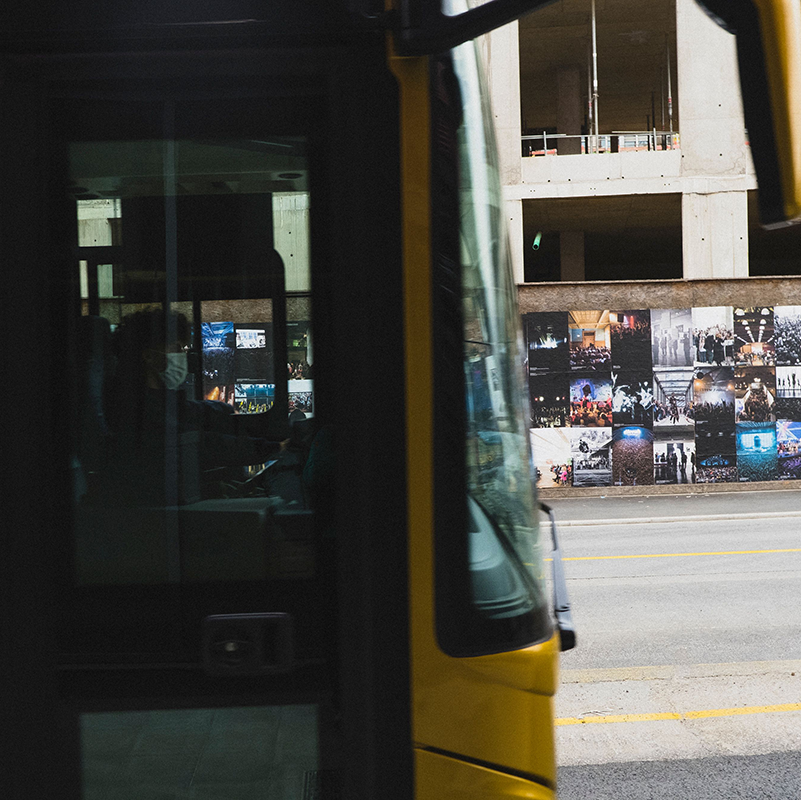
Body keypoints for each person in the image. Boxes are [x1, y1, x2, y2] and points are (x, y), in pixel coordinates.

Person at [102, 308, 286, 504]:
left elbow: (190, 412)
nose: (183, 355)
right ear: (149, 356)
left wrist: (224, 411)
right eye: (176, 348)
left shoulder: (151, 399)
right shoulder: (134, 410)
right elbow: (201, 443)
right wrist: (272, 447)